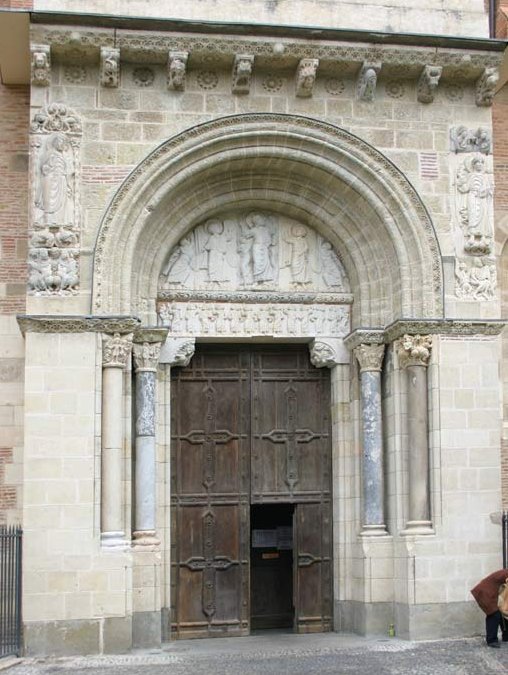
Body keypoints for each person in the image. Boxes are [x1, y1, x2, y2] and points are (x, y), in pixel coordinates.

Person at [471, 569, 508, 647]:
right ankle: (491, 640)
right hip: (485, 592)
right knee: (494, 614)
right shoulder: (506, 574)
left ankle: (506, 636)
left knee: (503, 613)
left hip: (492, 593)